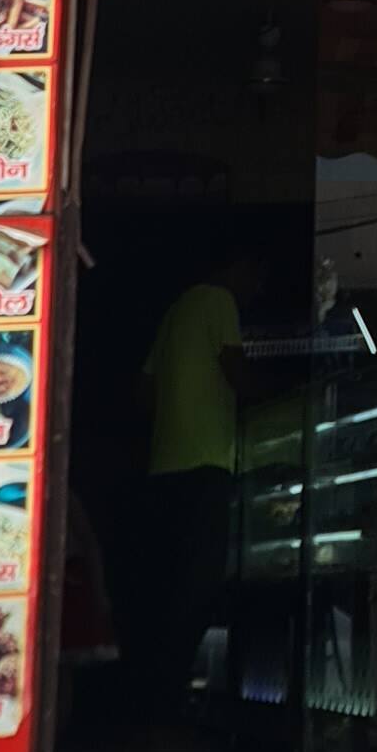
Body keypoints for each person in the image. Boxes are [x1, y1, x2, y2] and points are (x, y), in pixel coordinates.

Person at [136, 268, 244, 723]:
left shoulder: (174, 312)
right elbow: (237, 368)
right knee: (198, 589)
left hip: (166, 467)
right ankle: (167, 700)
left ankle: (157, 696)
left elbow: (142, 390)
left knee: (170, 588)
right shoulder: (220, 297)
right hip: (207, 463)